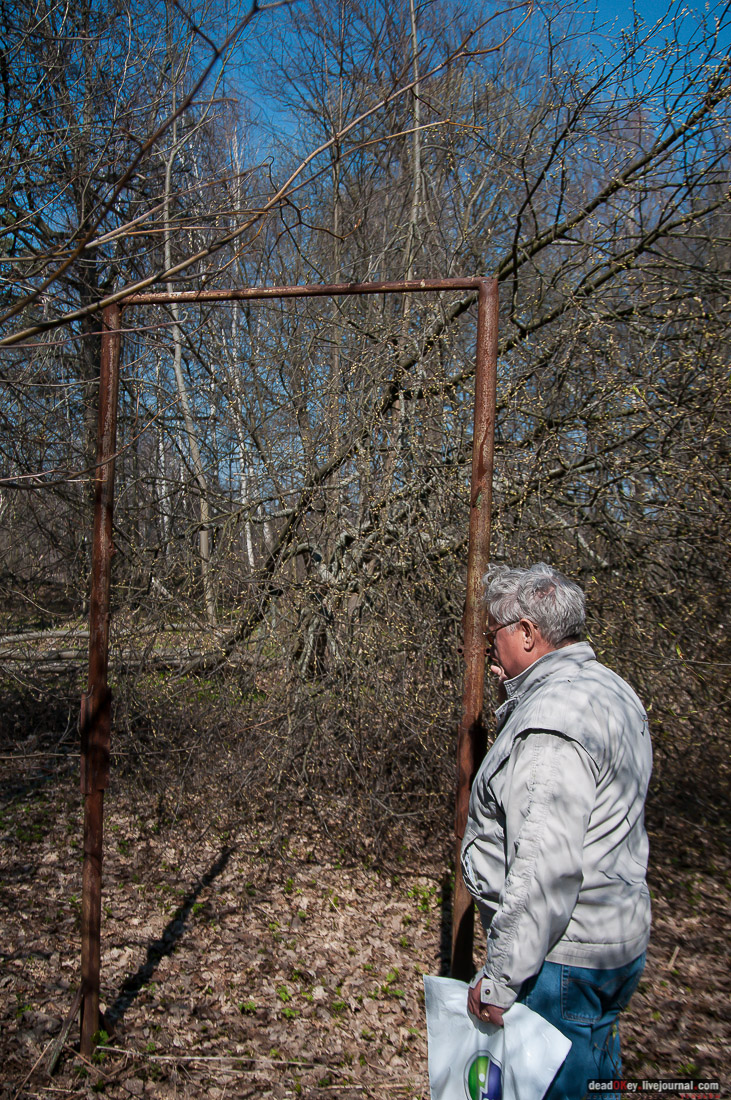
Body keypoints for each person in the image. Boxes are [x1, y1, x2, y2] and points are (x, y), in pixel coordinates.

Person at [461, 562, 652, 1099]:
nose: (489, 651)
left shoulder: (552, 721)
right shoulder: (610, 691)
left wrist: (500, 979)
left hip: (562, 961)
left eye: (494, 633)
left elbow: (542, 869)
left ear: (526, 632)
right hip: (615, 942)